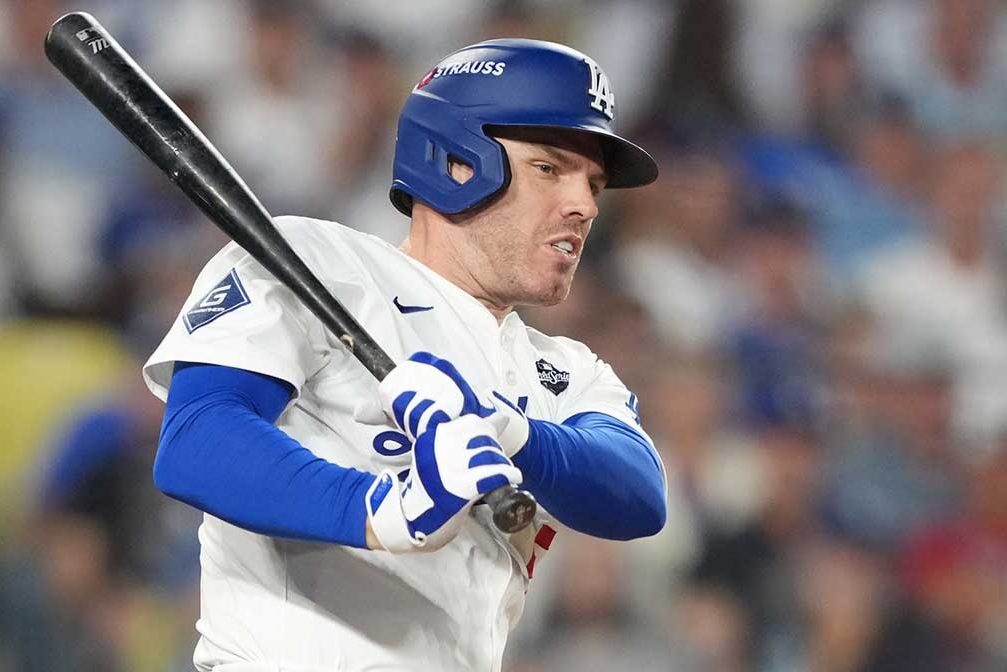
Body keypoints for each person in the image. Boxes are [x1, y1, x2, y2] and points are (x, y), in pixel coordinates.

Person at [143, 39, 667, 671]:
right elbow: (197, 439)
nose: (583, 204)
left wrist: (510, 431)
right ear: (454, 162)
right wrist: (384, 509)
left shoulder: (564, 369)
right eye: (550, 169)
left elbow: (638, 493)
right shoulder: (318, 265)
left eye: (594, 183)